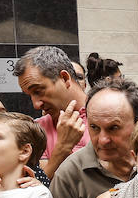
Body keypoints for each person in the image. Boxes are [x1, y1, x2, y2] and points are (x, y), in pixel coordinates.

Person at [15, 46, 90, 180]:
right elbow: (39, 190)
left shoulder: (107, 116)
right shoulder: (37, 130)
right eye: (30, 95)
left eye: (38, 91)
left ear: (65, 78)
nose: (36, 104)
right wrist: (62, 148)